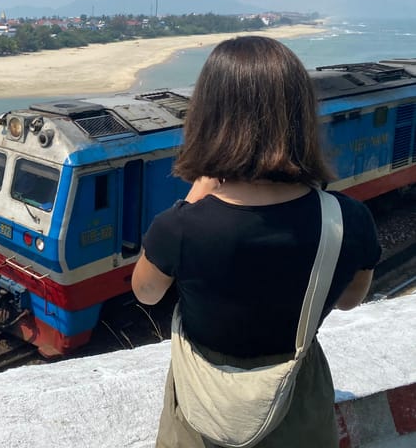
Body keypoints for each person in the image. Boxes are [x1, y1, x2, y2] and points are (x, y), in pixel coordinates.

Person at [131, 36, 381, 447]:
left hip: (202, 407)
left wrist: (191, 199)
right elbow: (350, 299)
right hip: (296, 403)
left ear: (208, 118)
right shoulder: (348, 219)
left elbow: (146, 291)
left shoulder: (179, 227)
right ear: (301, 118)